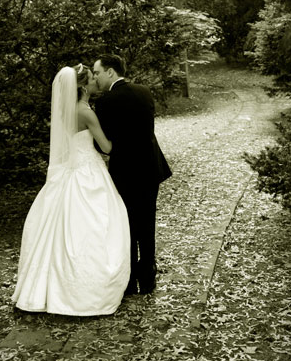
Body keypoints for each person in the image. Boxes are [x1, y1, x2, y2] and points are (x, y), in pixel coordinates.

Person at [12, 64, 130, 316]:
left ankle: (49, 289)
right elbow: (107, 147)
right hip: (88, 171)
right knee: (97, 225)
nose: (95, 82)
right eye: (91, 79)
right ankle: (86, 293)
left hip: (68, 171)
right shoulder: (86, 112)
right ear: (83, 86)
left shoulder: (64, 111)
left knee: (58, 228)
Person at [93, 54, 172, 295]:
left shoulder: (105, 102)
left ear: (110, 72)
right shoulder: (144, 92)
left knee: (126, 225)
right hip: (149, 167)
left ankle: (128, 282)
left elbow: (103, 144)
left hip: (125, 171)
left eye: (97, 72)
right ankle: (148, 279)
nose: (95, 77)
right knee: (147, 223)